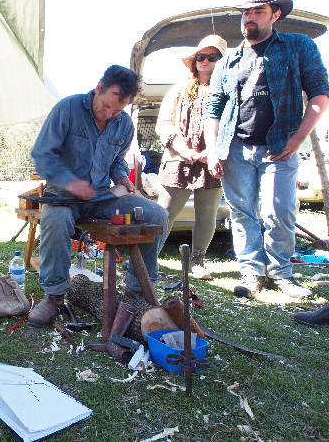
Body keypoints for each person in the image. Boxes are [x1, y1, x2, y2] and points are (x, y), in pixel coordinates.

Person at [204, 0, 329, 299]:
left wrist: (298, 138)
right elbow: (213, 108)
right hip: (234, 147)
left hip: (279, 146)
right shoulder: (227, 62)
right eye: (245, 12)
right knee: (242, 212)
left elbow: (319, 93)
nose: (249, 18)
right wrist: (212, 149)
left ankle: (281, 273)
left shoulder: (299, 46)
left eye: (257, 11)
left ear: (276, 13)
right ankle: (251, 272)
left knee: (279, 210)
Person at [28, 65, 168, 327]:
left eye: (117, 109)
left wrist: (123, 178)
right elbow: (42, 155)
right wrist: (72, 183)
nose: (109, 113)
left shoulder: (124, 123)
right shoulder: (67, 109)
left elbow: (116, 160)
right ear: (98, 87)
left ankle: (137, 291)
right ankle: (55, 295)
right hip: (64, 197)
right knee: (55, 221)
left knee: (156, 213)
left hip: (102, 198)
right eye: (105, 106)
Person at [155, 35, 227, 280]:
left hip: (213, 160)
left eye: (212, 57)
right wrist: (183, 149)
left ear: (221, 61)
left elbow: (232, 124)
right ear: (194, 61)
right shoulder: (177, 90)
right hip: (177, 159)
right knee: (164, 212)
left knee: (207, 211)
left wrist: (214, 150)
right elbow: (163, 124)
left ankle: (197, 261)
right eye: (201, 56)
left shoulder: (228, 91)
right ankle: (148, 258)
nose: (205, 61)